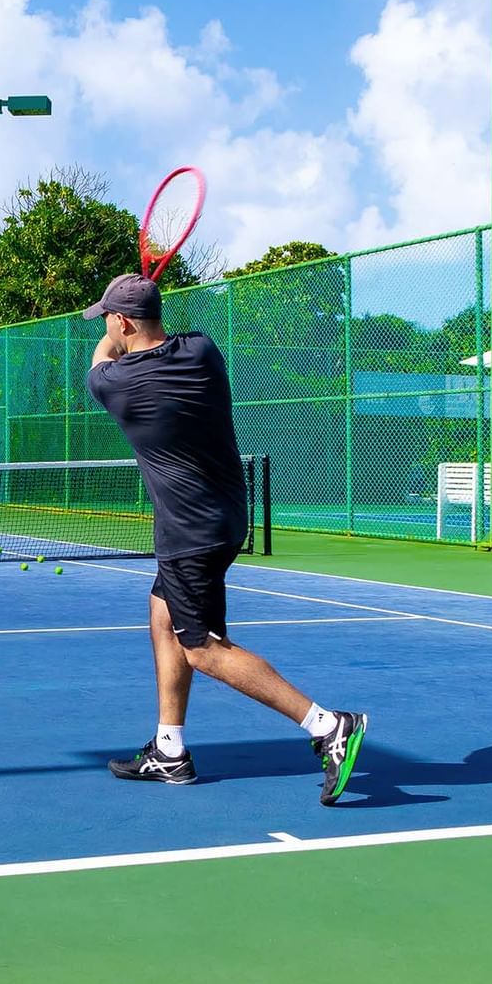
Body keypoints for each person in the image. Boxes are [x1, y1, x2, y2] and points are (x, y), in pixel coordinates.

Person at [83, 273, 366, 804]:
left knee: (202, 650)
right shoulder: (202, 352)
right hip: (228, 517)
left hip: (190, 532)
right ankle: (170, 751)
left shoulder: (115, 385)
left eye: (108, 318)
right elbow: (164, 336)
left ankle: (328, 726)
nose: (105, 326)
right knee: (161, 610)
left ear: (121, 322)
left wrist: (112, 335)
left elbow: (102, 358)